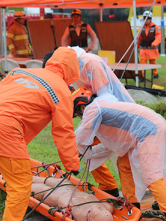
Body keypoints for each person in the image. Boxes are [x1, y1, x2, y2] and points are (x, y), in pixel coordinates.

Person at [0, 47, 82, 221]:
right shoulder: (61, 90)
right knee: (21, 185)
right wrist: (72, 164)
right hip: (6, 128)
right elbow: (63, 131)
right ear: (72, 70)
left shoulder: (19, 72)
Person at [73, 88, 166, 221]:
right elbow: (109, 145)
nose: (80, 118)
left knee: (151, 176)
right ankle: (133, 206)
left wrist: (74, 154)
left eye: (78, 114)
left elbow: (81, 138)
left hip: (148, 132)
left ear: (82, 105)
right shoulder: (103, 103)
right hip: (146, 130)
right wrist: (86, 152)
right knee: (124, 165)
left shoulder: (93, 110)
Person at [42, 47, 136, 197]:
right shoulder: (73, 70)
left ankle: (163, 197)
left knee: (136, 159)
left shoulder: (90, 62)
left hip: (117, 116)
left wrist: (88, 118)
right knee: (82, 145)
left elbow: (105, 96)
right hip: (97, 116)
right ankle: (108, 185)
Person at [137, 11, 161, 81]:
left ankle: (155, 74)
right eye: (145, 18)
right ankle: (142, 76)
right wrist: (136, 47)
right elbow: (139, 38)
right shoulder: (141, 28)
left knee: (152, 63)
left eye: (148, 19)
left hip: (152, 49)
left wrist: (154, 43)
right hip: (143, 50)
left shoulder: (155, 27)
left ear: (150, 19)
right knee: (142, 64)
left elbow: (159, 37)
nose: (146, 20)